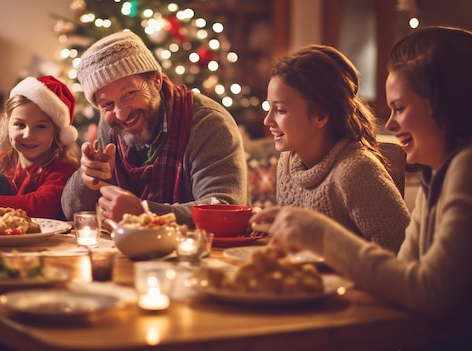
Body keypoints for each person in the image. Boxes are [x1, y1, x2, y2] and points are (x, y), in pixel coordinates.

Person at [251, 26, 472, 324]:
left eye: (401, 108)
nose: (390, 124)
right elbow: (405, 274)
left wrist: (323, 236)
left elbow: (430, 291)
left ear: (443, 106)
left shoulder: (465, 168)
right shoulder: (439, 174)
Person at [61, 30, 248, 226]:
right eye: (107, 104)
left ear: (156, 81)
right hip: (129, 251)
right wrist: (87, 179)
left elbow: (225, 209)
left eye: (130, 93)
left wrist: (145, 213)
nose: (122, 114)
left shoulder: (208, 123)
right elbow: (70, 211)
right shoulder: (110, 127)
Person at [262, 44, 410, 252]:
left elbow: (401, 252)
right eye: (269, 107)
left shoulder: (356, 171)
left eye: (280, 110)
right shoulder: (286, 162)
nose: (268, 120)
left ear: (321, 116)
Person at [0, 75, 79, 219]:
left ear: (57, 131)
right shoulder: (1, 163)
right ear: (7, 122)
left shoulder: (63, 168)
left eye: (40, 126)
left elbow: (38, 207)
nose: (28, 135)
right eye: (20, 125)